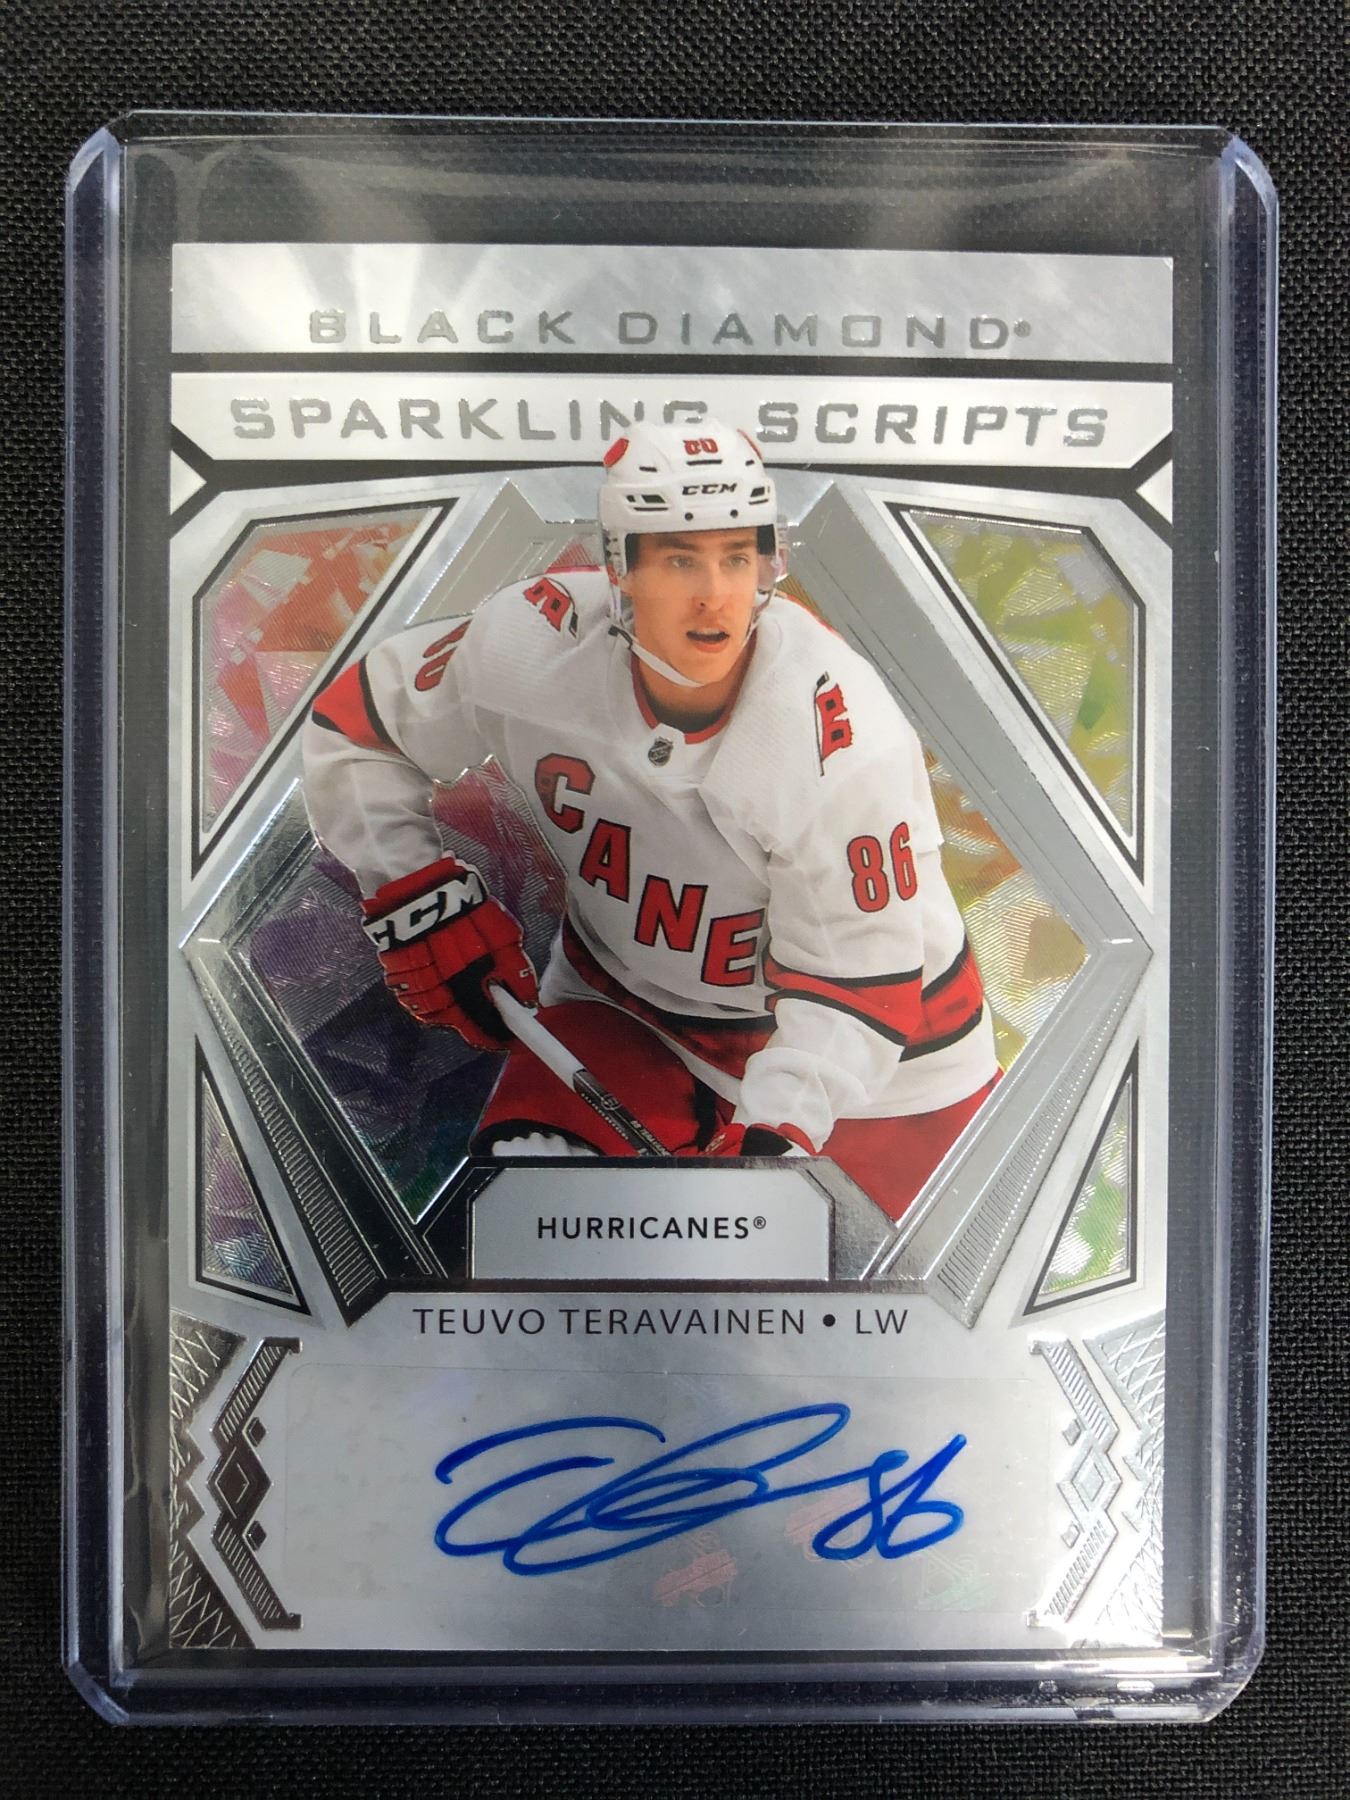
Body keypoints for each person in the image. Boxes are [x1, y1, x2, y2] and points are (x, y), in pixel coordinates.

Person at [302, 418, 998, 1219]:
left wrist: (777, 1134)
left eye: (736, 557)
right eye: (679, 558)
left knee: (847, 1287)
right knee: (529, 1226)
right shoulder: (530, 645)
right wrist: (415, 889)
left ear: (768, 561)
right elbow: (357, 729)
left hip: (883, 1068)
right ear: (620, 568)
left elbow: (856, 989)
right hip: (625, 1007)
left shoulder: (836, 737)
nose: (715, 594)